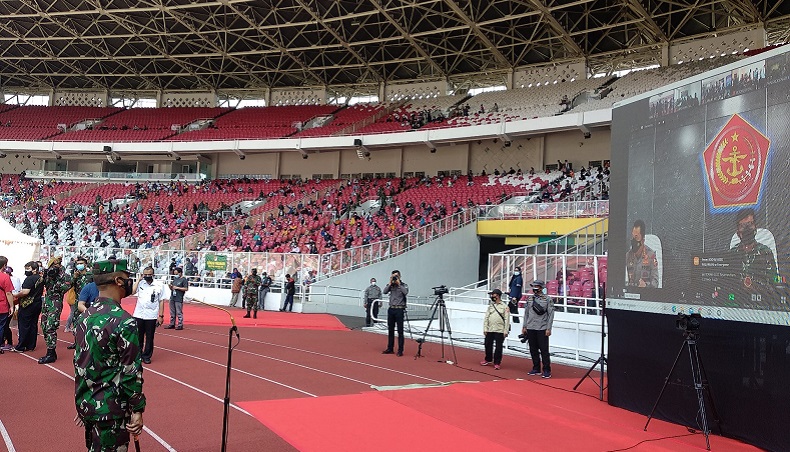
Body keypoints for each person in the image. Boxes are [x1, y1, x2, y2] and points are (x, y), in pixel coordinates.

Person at [74, 259, 145, 452]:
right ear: (119, 281)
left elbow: (81, 363)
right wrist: (137, 409)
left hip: (89, 404)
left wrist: (83, 401)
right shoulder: (124, 321)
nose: (131, 283)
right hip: (112, 411)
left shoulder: (84, 316)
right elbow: (131, 371)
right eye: (128, 278)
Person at [729, 208, 777, 289]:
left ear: (755, 228)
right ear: (738, 232)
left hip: (760, 298)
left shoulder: (765, 252)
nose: (747, 229)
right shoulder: (731, 254)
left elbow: (774, 282)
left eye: (750, 224)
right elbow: (727, 283)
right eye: (743, 226)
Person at [38, 256, 73, 363]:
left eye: (57, 264)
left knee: (50, 326)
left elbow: (64, 288)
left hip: (55, 302)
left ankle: (50, 352)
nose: (55, 266)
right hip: (47, 302)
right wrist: (44, 276)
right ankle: (51, 352)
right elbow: (38, 285)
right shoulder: (48, 274)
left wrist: (55, 278)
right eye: (53, 265)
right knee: (44, 326)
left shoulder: (65, 276)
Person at [132, 266, 165, 364]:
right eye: (145, 274)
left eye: (149, 274)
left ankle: (146, 355)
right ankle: (138, 355)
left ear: (153, 274)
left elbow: (161, 301)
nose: (147, 276)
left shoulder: (159, 285)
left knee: (150, 337)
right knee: (138, 336)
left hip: (151, 315)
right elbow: (133, 292)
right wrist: (138, 280)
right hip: (139, 314)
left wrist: (161, 315)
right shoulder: (141, 283)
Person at [522, 280, 555, 378]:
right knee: (533, 349)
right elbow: (526, 313)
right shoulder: (530, 299)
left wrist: (548, 328)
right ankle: (536, 368)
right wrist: (524, 326)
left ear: (541, 288)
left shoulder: (547, 299)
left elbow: (551, 314)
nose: (535, 288)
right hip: (531, 326)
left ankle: (546, 370)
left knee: (544, 350)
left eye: (537, 286)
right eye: (533, 286)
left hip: (542, 327)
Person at [12, 261, 45, 352]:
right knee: (33, 324)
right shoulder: (40, 278)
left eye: (28, 269)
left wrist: (16, 295)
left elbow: (25, 292)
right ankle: (31, 345)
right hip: (37, 303)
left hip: (28, 305)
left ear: (34, 269)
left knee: (24, 325)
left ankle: (21, 346)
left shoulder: (29, 279)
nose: (26, 271)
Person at [481, 289, 510, 370]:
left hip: (500, 329)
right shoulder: (491, 306)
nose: (491, 296)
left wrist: (506, 330)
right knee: (487, 344)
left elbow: (507, 320)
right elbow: (486, 317)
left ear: (497, 295)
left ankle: (497, 362)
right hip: (490, 329)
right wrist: (485, 328)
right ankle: (488, 359)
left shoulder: (504, 307)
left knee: (498, 347)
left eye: (493, 295)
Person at [625, 219, 659, 288]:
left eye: (636, 237)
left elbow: (656, 282)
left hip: (645, 294)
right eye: (633, 237)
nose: (633, 240)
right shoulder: (628, 256)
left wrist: (646, 285)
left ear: (643, 240)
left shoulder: (651, 255)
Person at [382, 270, 409, 356]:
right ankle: (390, 348)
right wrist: (390, 283)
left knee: (400, 331)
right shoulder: (391, 285)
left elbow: (406, 292)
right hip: (391, 309)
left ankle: (400, 350)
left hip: (399, 309)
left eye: (396, 276)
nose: (394, 277)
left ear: (399, 276)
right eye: (393, 276)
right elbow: (385, 291)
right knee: (390, 330)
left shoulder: (403, 285)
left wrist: (399, 284)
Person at [65, 256, 91, 334]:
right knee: (76, 322)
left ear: (85, 265)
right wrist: (74, 277)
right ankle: (76, 342)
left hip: (88, 302)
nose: (79, 265)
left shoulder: (90, 276)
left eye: (81, 263)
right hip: (78, 302)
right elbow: (67, 286)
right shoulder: (75, 276)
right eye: (78, 264)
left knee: (88, 322)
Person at [0, 256, 13, 353]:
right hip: (2, 304)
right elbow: (8, 293)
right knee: (1, 326)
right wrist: (12, 306)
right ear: (4, 266)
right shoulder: (5, 277)